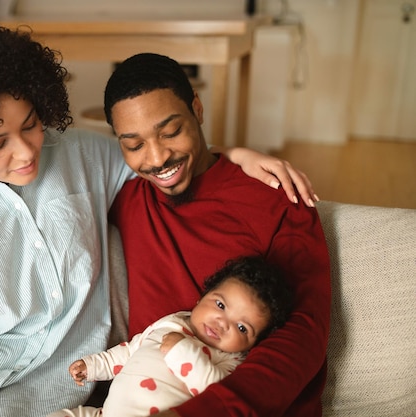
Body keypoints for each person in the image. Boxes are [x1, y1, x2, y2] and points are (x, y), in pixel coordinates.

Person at [0, 22, 316, 417]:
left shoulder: (77, 155)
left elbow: (157, 156)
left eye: (31, 124)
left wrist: (238, 154)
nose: (27, 151)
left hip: (46, 393)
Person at [104, 52, 331, 417]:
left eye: (172, 131)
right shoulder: (128, 201)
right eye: (134, 145)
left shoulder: (277, 198)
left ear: (198, 108)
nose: (158, 156)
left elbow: (304, 334)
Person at [47, 256, 293, 417]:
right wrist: (93, 366)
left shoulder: (231, 360)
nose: (223, 323)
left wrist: (181, 351)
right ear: (202, 297)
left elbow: (213, 390)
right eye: (220, 305)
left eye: (242, 328)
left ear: (253, 343)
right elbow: (131, 350)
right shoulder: (173, 321)